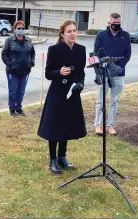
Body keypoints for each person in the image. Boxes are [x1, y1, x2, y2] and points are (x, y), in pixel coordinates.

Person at [37, 20, 87, 174]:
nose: (73, 34)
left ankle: (62, 157)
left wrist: (80, 83)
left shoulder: (81, 50)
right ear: (62, 34)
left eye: (74, 31)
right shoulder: (55, 49)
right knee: (55, 126)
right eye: (69, 31)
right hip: (58, 93)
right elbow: (48, 73)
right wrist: (59, 72)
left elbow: (81, 73)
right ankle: (52, 159)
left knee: (67, 125)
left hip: (72, 93)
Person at [94, 12, 131, 135]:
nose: (116, 25)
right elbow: (97, 53)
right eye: (114, 23)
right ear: (109, 23)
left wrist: (120, 67)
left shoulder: (125, 36)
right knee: (101, 100)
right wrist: (102, 68)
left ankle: (110, 125)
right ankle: (99, 125)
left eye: (118, 23)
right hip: (104, 72)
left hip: (119, 73)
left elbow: (127, 54)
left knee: (114, 101)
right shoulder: (101, 35)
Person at [1, 20, 35, 116]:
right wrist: (10, 65)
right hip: (13, 71)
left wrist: (31, 63)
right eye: (18, 28)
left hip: (25, 71)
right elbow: (4, 54)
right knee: (13, 91)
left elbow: (32, 53)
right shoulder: (9, 40)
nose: (21, 30)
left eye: (22, 28)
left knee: (21, 91)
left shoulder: (28, 40)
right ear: (14, 29)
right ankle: (12, 109)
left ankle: (19, 107)